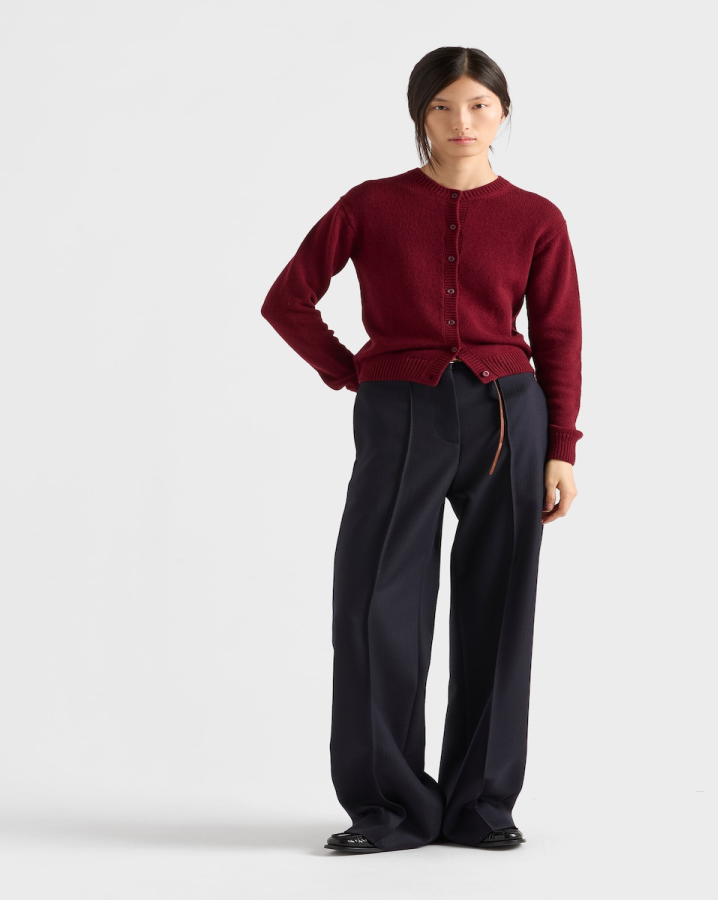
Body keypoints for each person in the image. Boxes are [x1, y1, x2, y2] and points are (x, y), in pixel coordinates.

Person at [261, 46, 583, 853]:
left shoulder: (538, 217)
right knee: (375, 603)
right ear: (420, 116)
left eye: (478, 105)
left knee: (500, 606)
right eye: (443, 106)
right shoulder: (370, 204)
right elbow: (287, 300)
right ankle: (390, 809)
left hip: (509, 418)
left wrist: (562, 446)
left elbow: (558, 337)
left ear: (502, 113)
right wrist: (354, 372)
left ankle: (481, 807)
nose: (461, 122)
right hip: (400, 414)